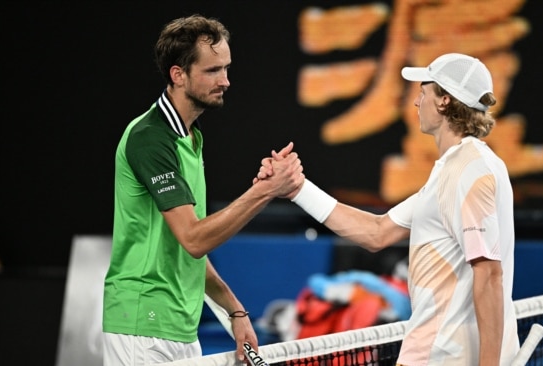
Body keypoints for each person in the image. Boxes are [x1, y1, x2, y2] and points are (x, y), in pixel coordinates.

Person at [257, 53, 519, 365]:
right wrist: (298, 189)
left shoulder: (470, 170)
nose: (416, 101)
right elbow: (377, 232)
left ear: (444, 102)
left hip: (445, 356)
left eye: (423, 92)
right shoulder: (459, 169)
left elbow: (488, 273)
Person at [102, 14, 304, 366]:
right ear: (178, 74)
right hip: (142, 325)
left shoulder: (190, 138)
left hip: (180, 326)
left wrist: (235, 311)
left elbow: (186, 253)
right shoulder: (150, 138)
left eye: (226, 68)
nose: (225, 81)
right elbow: (194, 239)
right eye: (212, 71)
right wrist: (265, 191)